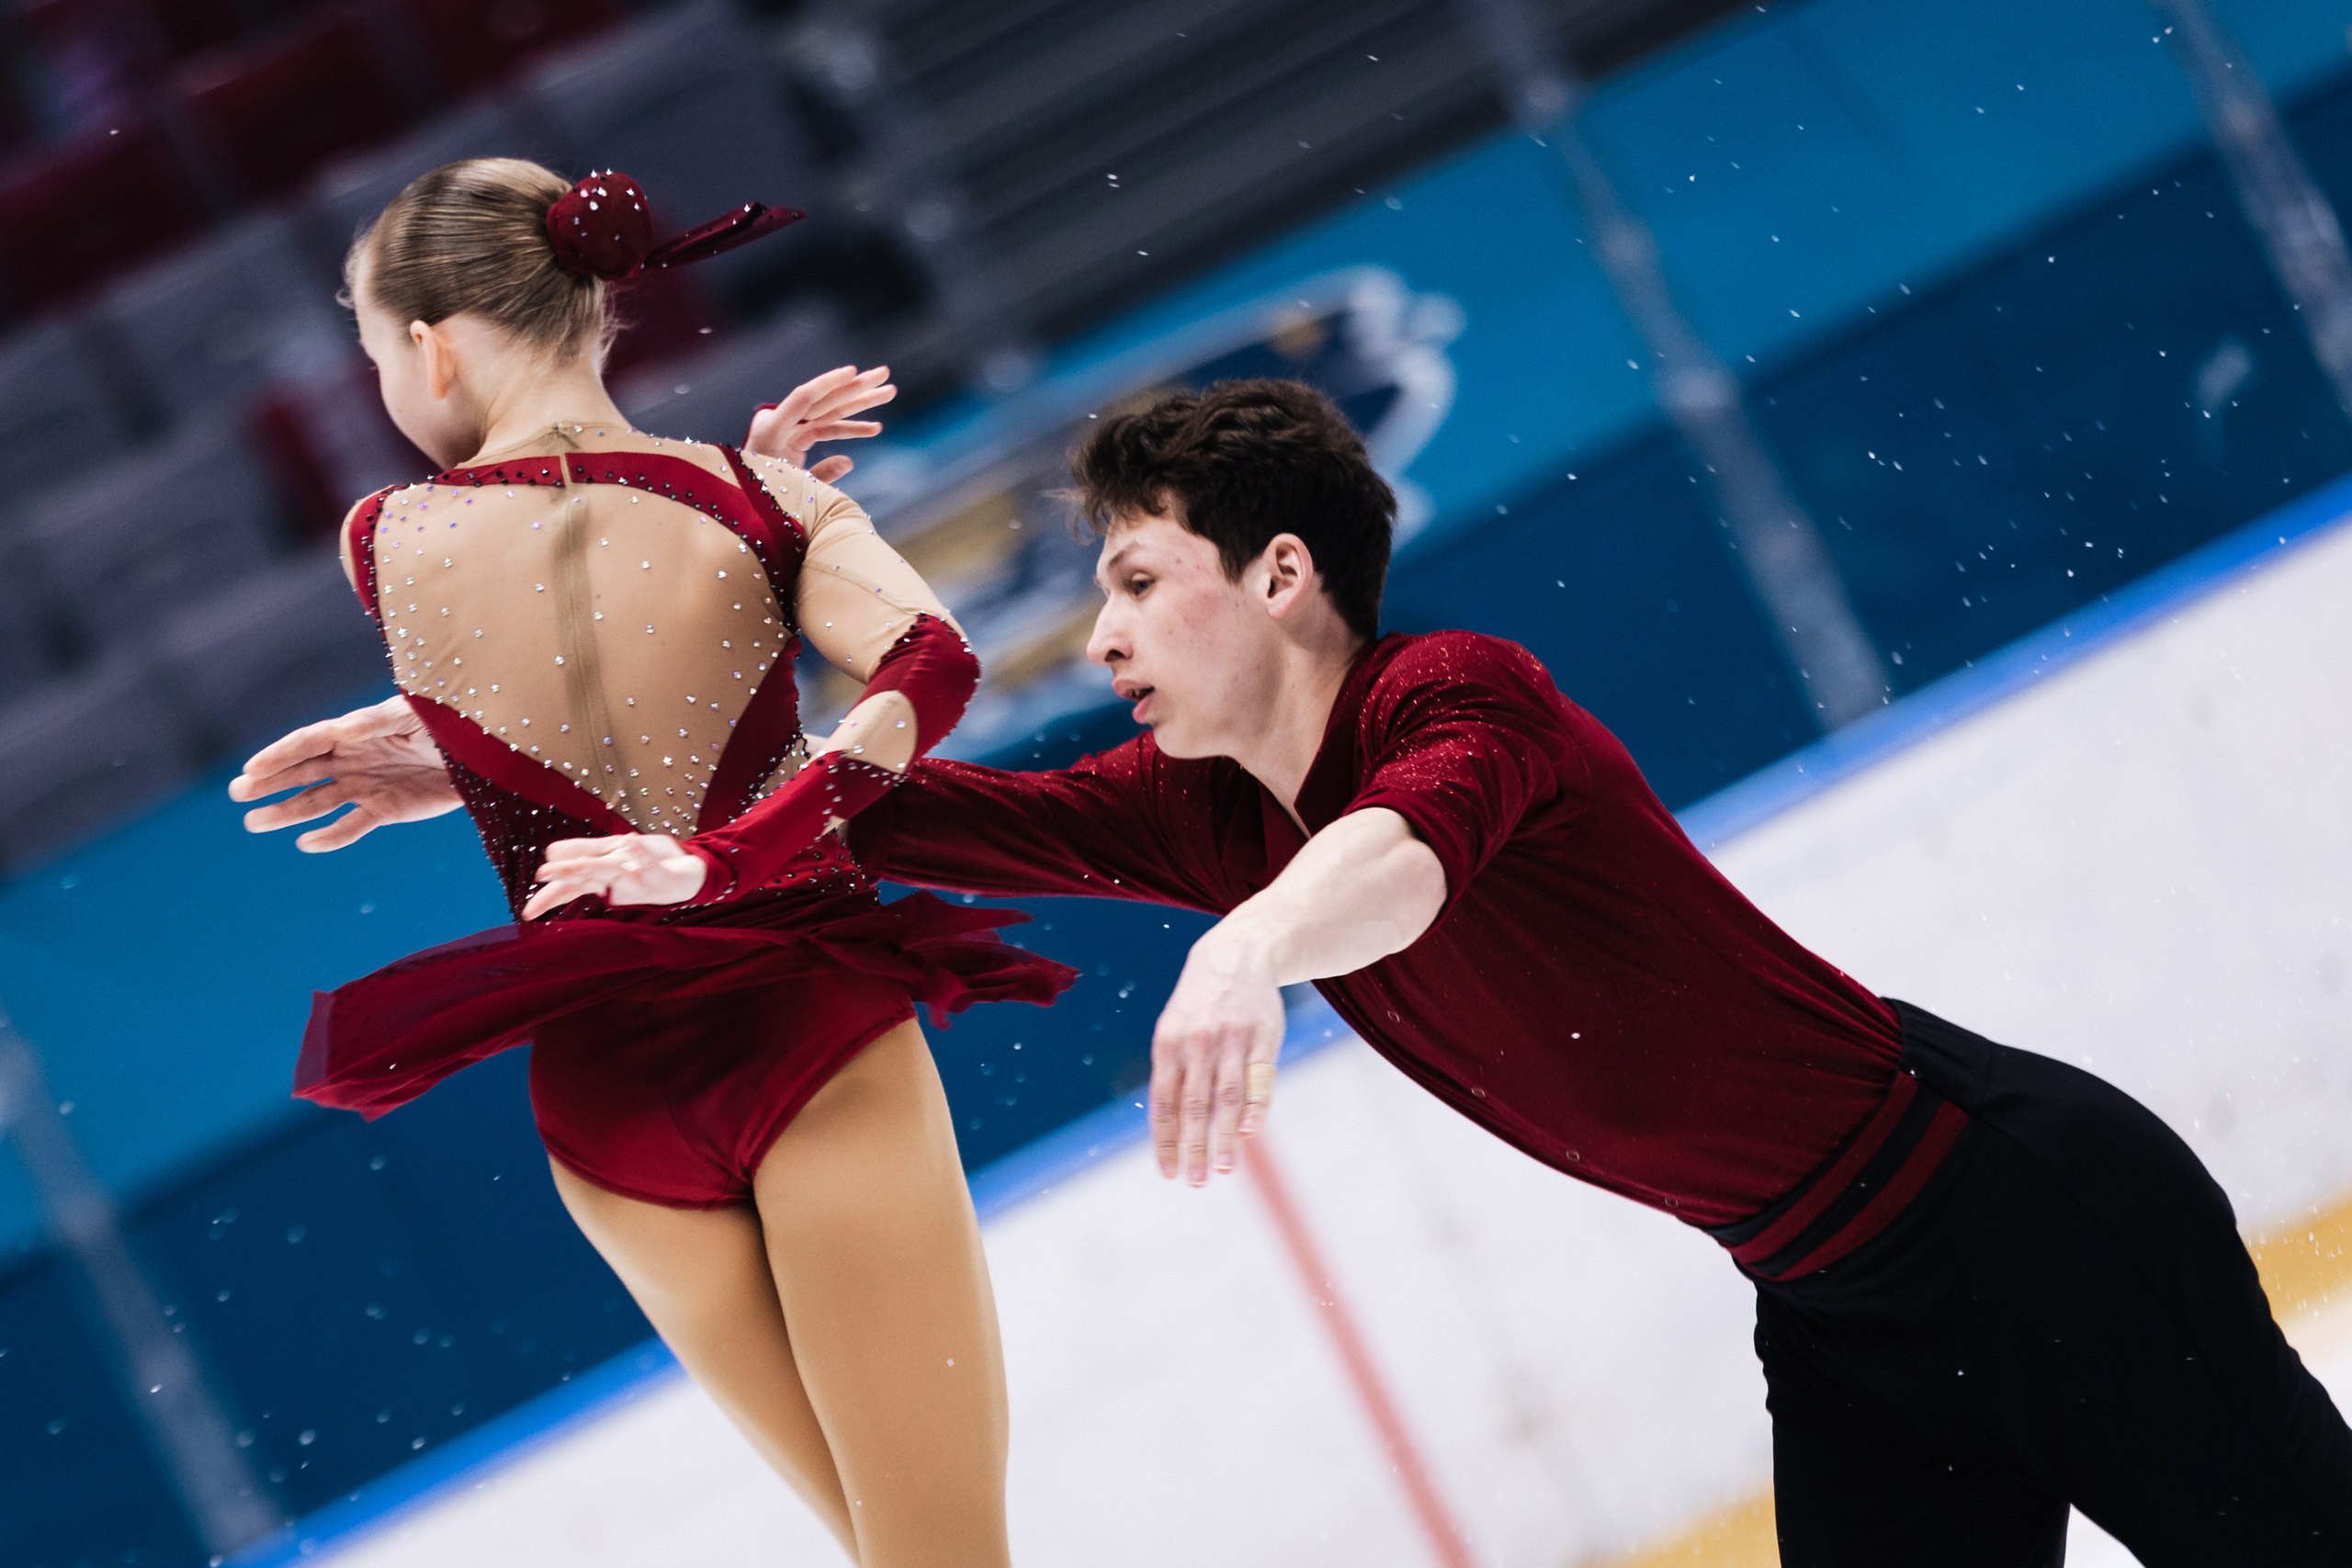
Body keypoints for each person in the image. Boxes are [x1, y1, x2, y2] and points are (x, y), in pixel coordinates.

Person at [253, 377, 2352, 1563]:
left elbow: (1403, 858)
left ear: (1278, 575)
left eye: (1134, 580)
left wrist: (1252, 944)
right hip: (1838, 1301)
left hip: (2016, 1205)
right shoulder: (1192, 815)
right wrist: (490, 760)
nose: (1102, 635)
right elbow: (844, 811)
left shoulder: (1456, 692)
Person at [231, 159, 1074, 1568]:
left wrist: (459, 756)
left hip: (608, 1105)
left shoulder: (382, 541)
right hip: (803, 1032)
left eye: (374, 357)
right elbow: (930, 665)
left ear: (433, 349)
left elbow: (577, 656)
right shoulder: (751, 505)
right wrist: (734, 839)